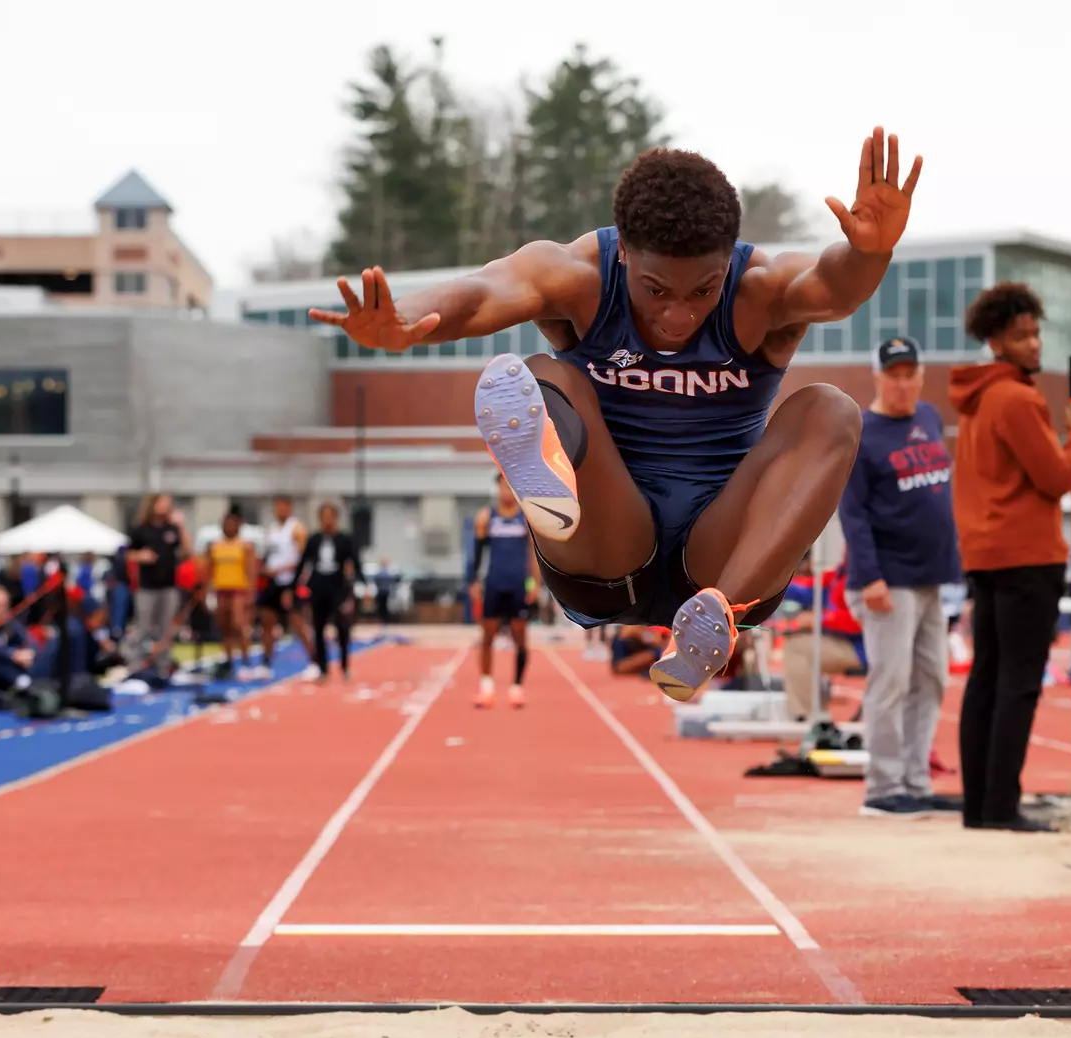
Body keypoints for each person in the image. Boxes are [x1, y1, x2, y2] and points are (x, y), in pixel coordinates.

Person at [312, 127, 923, 703]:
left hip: (721, 560)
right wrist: (406, 322)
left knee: (831, 409)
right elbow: (483, 293)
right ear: (624, 252)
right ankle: (556, 500)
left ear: (727, 263)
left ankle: (713, 623)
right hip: (610, 550)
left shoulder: (759, 288)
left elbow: (832, 287)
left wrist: (869, 253)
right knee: (544, 376)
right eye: (657, 290)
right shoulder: (579, 276)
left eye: (703, 290)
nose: (679, 316)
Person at [949, 282, 1071, 833]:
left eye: (1035, 332)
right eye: (1021, 335)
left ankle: (979, 806)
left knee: (987, 677)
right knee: (1018, 682)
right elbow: (1055, 477)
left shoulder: (977, 401)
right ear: (996, 342)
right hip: (1027, 557)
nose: (1034, 344)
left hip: (986, 556)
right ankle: (1002, 805)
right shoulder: (1017, 399)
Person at [838, 336, 964, 816]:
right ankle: (883, 789)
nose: (902, 384)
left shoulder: (928, 418)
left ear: (921, 377)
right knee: (890, 683)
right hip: (887, 580)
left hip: (933, 576)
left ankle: (915, 781)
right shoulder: (862, 432)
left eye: (910, 374)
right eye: (893, 375)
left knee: (931, 680)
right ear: (878, 377)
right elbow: (852, 512)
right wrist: (869, 576)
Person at [467, 474, 543, 708]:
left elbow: (534, 554)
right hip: (494, 583)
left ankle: (516, 687)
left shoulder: (526, 518)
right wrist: (474, 581)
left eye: (510, 488)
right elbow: (477, 554)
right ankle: (486, 687)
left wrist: (535, 584)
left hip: (518, 584)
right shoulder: (486, 517)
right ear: (497, 489)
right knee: (487, 635)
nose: (506, 493)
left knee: (520, 636)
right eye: (503, 488)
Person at [779, 554, 865, 723]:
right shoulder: (840, 573)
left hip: (861, 648)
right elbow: (806, 590)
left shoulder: (863, 575)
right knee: (797, 640)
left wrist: (818, 619)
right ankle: (816, 712)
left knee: (797, 647)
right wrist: (773, 588)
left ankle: (808, 717)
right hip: (843, 641)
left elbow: (859, 621)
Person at [127, 493, 190, 678]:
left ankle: (163, 667)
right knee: (142, 627)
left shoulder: (172, 529)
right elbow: (127, 553)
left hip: (168, 586)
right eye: (162, 502)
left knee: (166, 629)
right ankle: (135, 666)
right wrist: (141, 556)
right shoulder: (141, 530)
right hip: (147, 587)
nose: (165, 506)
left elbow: (187, 552)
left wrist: (181, 526)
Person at [297, 502, 360, 684]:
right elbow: (304, 563)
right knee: (318, 627)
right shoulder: (314, 539)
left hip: (338, 586)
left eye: (330, 516)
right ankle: (323, 667)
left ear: (336, 518)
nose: (327, 520)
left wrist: (361, 585)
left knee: (342, 625)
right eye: (324, 516)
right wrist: (295, 585)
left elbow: (355, 562)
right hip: (318, 586)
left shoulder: (345, 539)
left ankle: (344, 665)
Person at [257, 495, 315, 680]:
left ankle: (315, 661)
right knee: (267, 622)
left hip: (289, 582)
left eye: (283, 507)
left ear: (289, 508)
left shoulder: (296, 528)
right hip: (272, 582)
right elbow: (268, 556)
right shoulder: (272, 530)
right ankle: (266, 663)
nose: (280, 510)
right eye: (277, 507)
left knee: (296, 623)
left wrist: (288, 575)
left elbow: (303, 559)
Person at [202, 510, 257, 680]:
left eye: (233, 524)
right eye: (226, 524)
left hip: (238, 589)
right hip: (221, 590)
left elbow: (251, 571)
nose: (229, 527)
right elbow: (209, 570)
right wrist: (206, 592)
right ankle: (228, 661)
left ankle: (246, 660)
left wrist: (250, 593)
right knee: (224, 626)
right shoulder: (215, 546)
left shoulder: (245, 546)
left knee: (239, 624)